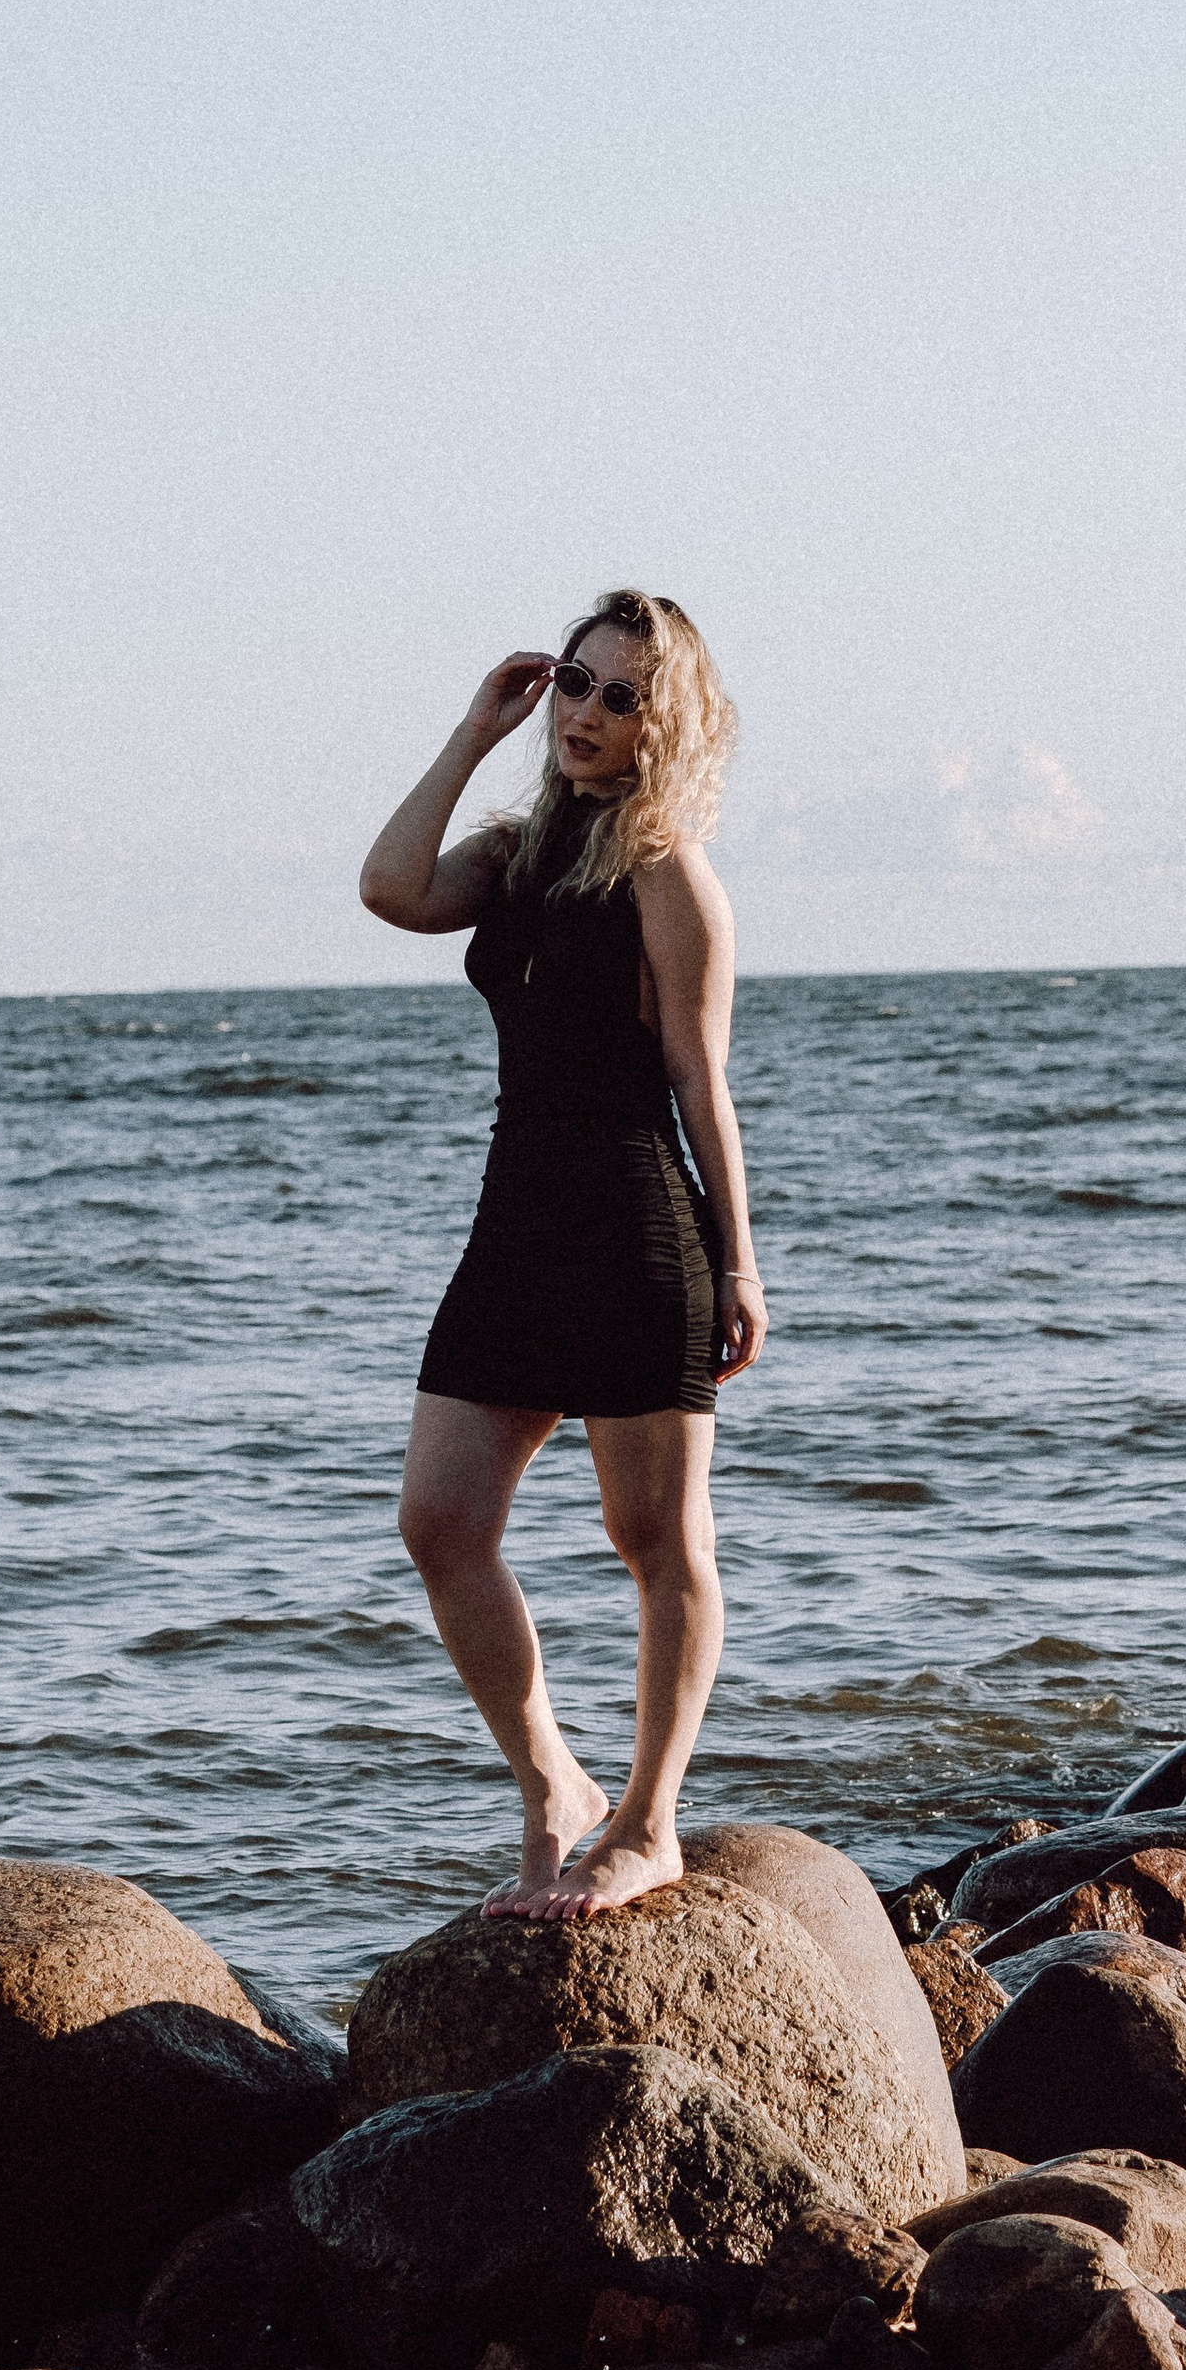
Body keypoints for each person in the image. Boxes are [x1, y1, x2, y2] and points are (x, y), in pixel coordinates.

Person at [359, 589, 767, 1919]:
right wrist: (474, 734)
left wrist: (743, 1266)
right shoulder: (518, 852)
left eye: (622, 696)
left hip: (639, 1226)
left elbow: (702, 1086)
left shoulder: (669, 872)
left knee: (655, 1539)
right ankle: (556, 1788)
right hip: (516, 1225)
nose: (588, 716)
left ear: (669, 719)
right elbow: (392, 888)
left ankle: (650, 1822)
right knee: (441, 1522)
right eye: (578, 687)